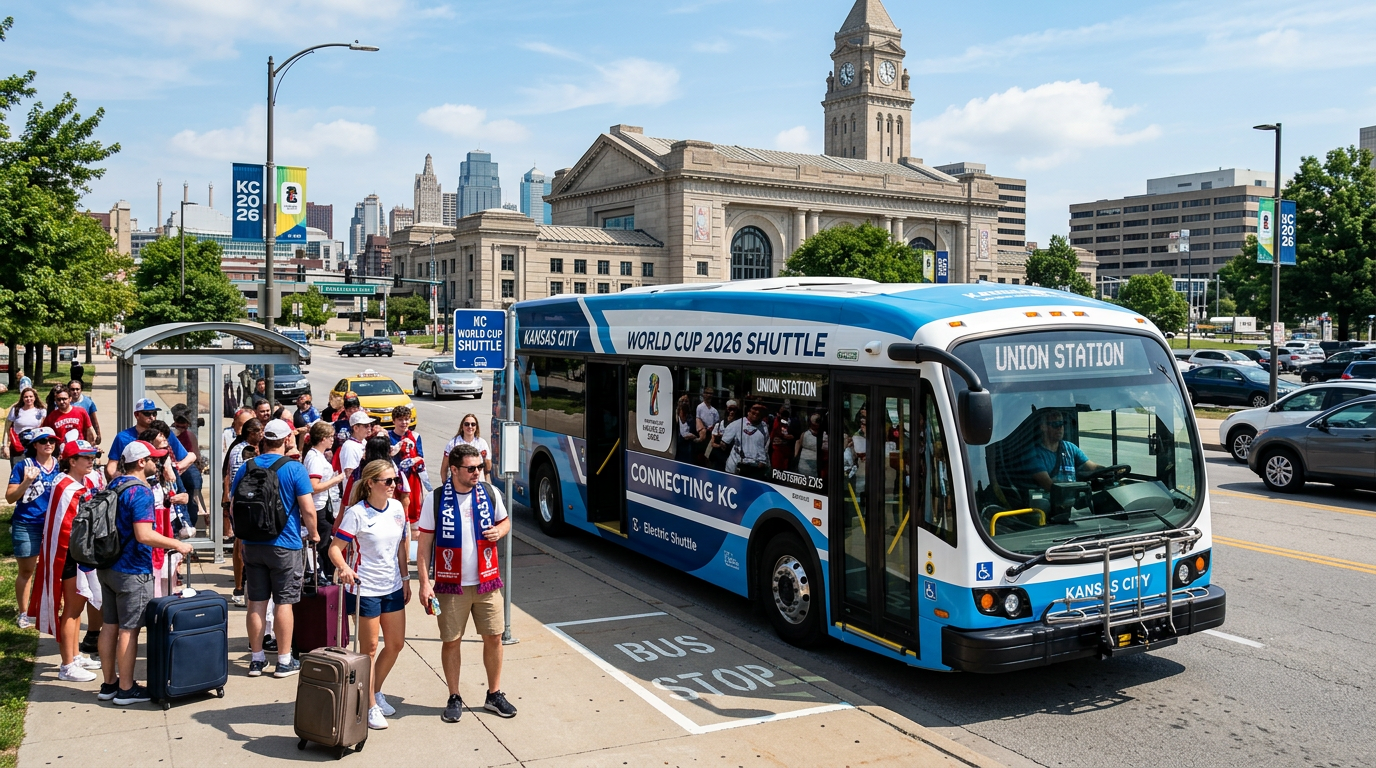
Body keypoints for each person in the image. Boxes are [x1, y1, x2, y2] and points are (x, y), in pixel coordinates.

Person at [416, 443, 516, 723]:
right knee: (451, 641)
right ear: (454, 470)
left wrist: (499, 530)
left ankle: (494, 694)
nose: (477, 473)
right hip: (450, 585)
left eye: (480, 467)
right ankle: (454, 696)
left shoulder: (489, 492)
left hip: (487, 582)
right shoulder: (435, 499)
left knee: (494, 637)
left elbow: (506, 522)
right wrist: (425, 583)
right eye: (471, 469)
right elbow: (423, 546)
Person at [97, 440, 194, 705]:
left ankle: (109, 684)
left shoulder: (114, 484)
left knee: (109, 625)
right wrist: (177, 544)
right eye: (154, 458)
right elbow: (144, 534)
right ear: (141, 462)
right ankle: (127, 690)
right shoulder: (140, 491)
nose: (158, 462)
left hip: (108, 567)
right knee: (129, 630)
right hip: (132, 570)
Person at [230, 419, 318, 678]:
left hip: (252, 545)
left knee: (256, 603)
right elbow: (308, 509)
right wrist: (313, 535)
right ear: (287, 439)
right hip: (285, 544)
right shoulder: (294, 468)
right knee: (284, 603)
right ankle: (283, 659)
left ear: (264, 439)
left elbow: (233, 503)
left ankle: (257, 660)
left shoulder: (247, 467)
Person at [330, 458, 410, 730]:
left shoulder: (398, 508)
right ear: (370, 484)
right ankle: (369, 705)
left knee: (396, 644)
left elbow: (401, 546)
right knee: (370, 649)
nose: (393, 485)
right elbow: (334, 549)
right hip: (365, 589)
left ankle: (375, 690)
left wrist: (406, 577)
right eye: (388, 481)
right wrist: (344, 568)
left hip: (393, 587)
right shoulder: (357, 513)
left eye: (395, 480)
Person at [31, 440, 106, 682]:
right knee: (72, 611)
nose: (90, 460)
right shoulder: (67, 487)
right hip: (68, 557)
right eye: (85, 457)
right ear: (71, 461)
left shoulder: (80, 483)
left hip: (77, 555)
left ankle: (75, 655)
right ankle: (67, 665)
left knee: (79, 607)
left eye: (92, 456)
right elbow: (66, 528)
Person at [6, 427, 62, 629]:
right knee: (27, 570)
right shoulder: (23, 466)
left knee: (55, 569)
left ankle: (51, 607)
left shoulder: (61, 466)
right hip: (26, 524)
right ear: (35, 445)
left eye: (52, 440)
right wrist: (27, 481)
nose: (49, 443)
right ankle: (24, 613)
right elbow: (10, 498)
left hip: (53, 524)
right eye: (44, 440)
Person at [223, 418, 263, 606]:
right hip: (243, 503)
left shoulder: (253, 448)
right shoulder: (241, 450)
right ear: (250, 432)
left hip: (249, 502)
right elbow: (243, 481)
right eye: (258, 430)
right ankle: (239, 588)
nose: (261, 433)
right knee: (240, 544)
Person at [108, 400, 196, 481]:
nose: (152, 417)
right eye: (147, 414)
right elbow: (112, 466)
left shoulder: (165, 433)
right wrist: (122, 481)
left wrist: (173, 468)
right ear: (137, 415)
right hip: (135, 483)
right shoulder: (123, 437)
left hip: (163, 484)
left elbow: (189, 456)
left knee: (194, 476)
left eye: (154, 413)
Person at [303, 421, 346, 581]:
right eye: (330, 437)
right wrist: (337, 479)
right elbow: (314, 486)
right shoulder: (315, 459)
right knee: (324, 544)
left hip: (322, 505)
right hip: (318, 506)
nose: (332, 440)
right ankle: (322, 576)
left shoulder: (316, 456)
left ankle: (323, 575)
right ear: (322, 439)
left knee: (326, 541)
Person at [1023, 410, 1101, 492]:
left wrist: (1110, 471)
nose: (1060, 428)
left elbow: (1093, 467)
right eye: (1055, 424)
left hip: (1073, 500)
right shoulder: (1034, 455)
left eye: (1061, 424)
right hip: (1048, 502)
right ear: (1043, 427)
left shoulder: (1070, 448)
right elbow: (1049, 486)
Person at [388, 406, 426, 524]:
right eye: (400, 419)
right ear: (394, 421)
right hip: (395, 478)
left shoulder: (415, 436)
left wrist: (412, 461)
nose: (404, 423)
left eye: (407, 419)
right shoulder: (387, 437)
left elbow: (420, 456)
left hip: (412, 477)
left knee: (413, 507)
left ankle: (412, 534)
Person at [719, 402, 771, 480]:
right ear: (748, 411)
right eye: (755, 409)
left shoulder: (764, 427)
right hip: (736, 468)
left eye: (760, 410)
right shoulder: (736, 424)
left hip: (755, 469)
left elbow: (764, 447)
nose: (757, 412)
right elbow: (723, 443)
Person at [440, 414, 490, 481]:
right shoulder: (453, 444)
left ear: (476, 427)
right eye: (466, 424)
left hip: (478, 483)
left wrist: (487, 484)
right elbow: (444, 468)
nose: (470, 426)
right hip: (458, 485)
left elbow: (488, 468)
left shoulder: (482, 443)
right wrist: (445, 485)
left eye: (473, 424)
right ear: (462, 426)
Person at [5, 388, 46, 457]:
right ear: (22, 398)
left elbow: (44, 427)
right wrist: (5, 445)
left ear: (35, 397)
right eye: (26, 397)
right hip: (17, 445)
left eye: (31, 396)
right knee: (18, 467)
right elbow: (7, 429)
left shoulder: (41, 410)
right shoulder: (16, 409)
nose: (28, 399)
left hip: (34, 445)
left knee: (33, 467)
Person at [68, 380, 102, 446]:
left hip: (85, 437)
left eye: (77, 389)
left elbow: (94, 420)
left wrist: (98, 434)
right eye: (72, 389)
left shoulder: (88, 402)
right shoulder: (64, 402)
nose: (75, 391)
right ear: (68, 390)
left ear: (81, 390)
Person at [694, 387, 719, 465]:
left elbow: (717, 422)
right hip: (702, 433)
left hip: (711, 435)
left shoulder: (714, 410)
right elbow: (698, 419)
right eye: (707, 393)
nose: (709, 395)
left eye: (711, 394)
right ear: (704, 394)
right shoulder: (700, 407)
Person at [674, 396, 698, 464]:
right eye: (682, 401)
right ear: (678, 403)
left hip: (688, 451)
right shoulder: (674, 417)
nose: (684, 403)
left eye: (686, 401)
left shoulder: (692, 418)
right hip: (677, 450)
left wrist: (694, 437)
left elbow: (696, 435)